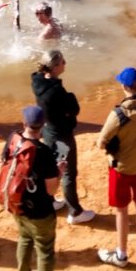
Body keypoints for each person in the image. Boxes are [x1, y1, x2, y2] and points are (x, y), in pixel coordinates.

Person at [3, 104, 66, 271]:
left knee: (24, 239)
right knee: (45, 250)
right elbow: (51, 190)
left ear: (24, 124)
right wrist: (59, 172)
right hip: (40, 211)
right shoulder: (43, 152)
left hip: (17, 204)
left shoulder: (13, 139)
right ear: (43, 127)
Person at [96, 67, 136, 267]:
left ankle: (121, 254)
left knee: (122, 210)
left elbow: (101, 142)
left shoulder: (118, 114)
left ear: (124, 86)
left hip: (121, 168)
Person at [31, 50, 95, 225]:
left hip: (47, 130)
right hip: (60, 135)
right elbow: (73, 109)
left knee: (52, 167)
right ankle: (75, 212)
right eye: (62, 62)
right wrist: (70, 97)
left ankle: (51, 202)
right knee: (68, 172)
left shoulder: (37, 81)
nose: (65, 63)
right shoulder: (56, 91)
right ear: (55, 66)